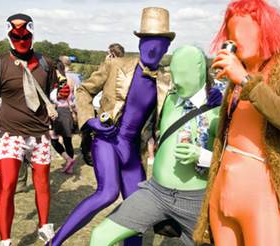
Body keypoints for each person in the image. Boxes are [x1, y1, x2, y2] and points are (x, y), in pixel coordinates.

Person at [193, 1, 280, 246]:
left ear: (266, 31)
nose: (235, 40)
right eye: (231, 33)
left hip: (264, 198)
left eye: (243, 32)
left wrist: (247, 81)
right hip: (223, 192)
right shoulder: (235, 79)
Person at [50, 7, 174, 246]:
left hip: (133, 151)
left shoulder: (167, 82)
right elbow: (83, 90)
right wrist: (90, 120)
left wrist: (211, 101)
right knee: (107, 193)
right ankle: (54, 243)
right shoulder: (117, 65)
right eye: (146, 41)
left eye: (158, 43)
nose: (151, 48)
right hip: (107, 140)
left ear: (167, 48)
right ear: (139, 42)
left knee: (136, 210)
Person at [90, 45, 222, 246]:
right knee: (100, 236)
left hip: (196, 201)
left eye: (184, 73)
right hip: (155, 192)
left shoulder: (220, 109)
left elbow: (237, 162)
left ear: (200, 71)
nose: (177, 80)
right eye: (174, 72)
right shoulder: (168, 98)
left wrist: (203, 156)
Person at [0, 13, 57, 246]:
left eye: (25, 35)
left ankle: (44, 226)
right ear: (8, 36)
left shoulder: (46, 63)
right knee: (7, 185)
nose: (21, 39)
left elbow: (49, 94)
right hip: (11, 133)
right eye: (15, 35)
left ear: (33, 34)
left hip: (40, 133)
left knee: (42, 183)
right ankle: (5, 240)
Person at [79, 43, 125, 167]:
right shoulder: (108, 69)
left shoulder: (121, 69)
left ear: (111, 55)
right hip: (106, 130)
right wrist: (88, 119)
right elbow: (84, 90)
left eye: (108, 54)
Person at [49, 59, 77, 174]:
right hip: (67, 111)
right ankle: (69, 164)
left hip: (59, 111)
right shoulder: (70, 80)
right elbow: (74, 98)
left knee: (54, 139)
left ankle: (68, 160)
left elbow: (55, 98)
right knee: (67, 140)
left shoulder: (59, 81)